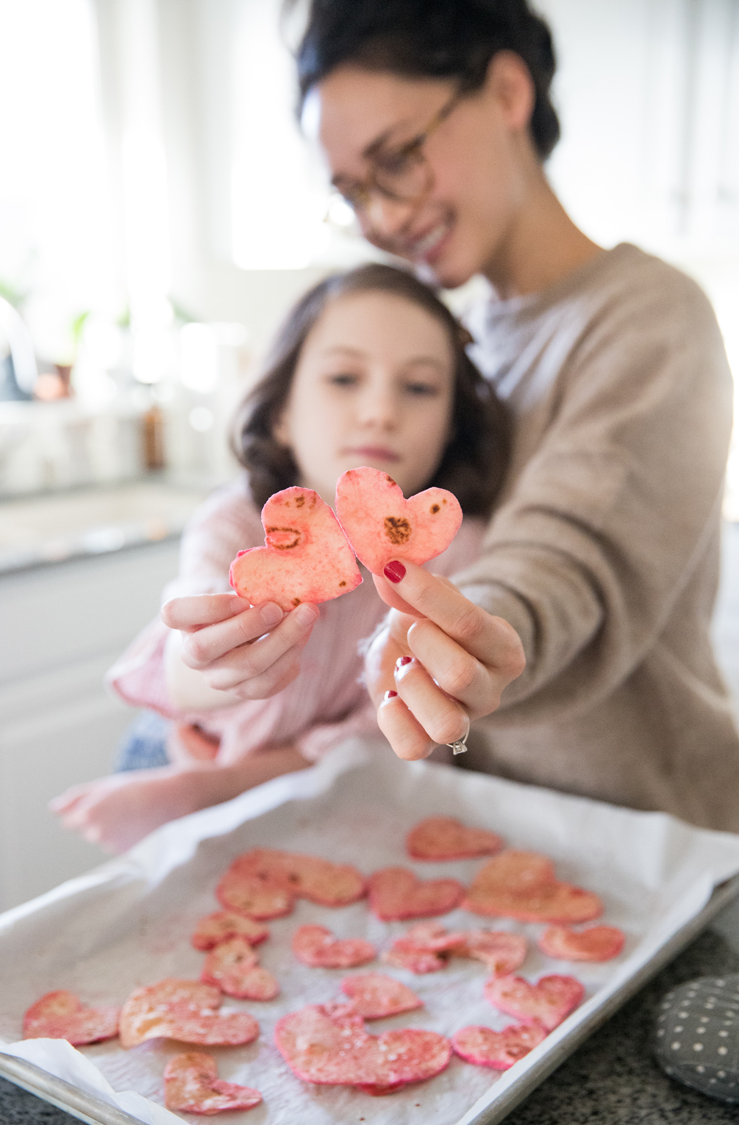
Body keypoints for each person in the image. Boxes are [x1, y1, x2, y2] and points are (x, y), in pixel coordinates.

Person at [292, 0, 739, 830]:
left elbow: (565, 560)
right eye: (353, 190)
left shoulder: (651, 319)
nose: (383, 217)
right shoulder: (445, 356)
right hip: (490, 825)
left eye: (397, 159)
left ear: (505, 92)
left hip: (653, 832)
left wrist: (476, 631)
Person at [50, 264, 511, 852]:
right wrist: (211, 658)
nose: (379, 411)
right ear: (281, 414)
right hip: (176, 764)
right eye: (344, 377)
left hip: (320, 791)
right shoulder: (233, 521)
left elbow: (387, 740)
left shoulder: (456, 551)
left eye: (419, 387)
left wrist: (214, 789)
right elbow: (180, 653)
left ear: (451, 426)